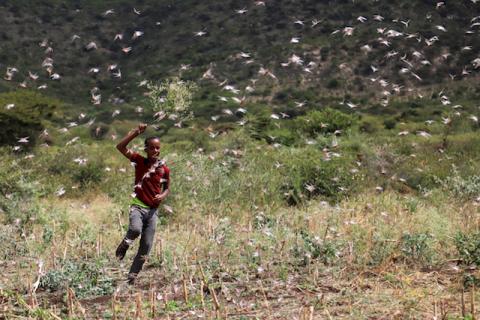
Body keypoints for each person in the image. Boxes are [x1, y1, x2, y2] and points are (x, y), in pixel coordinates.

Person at [115, 123, 170, 284]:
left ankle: (130, 279)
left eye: (158, 148)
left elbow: (167, 188)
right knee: (135, 229)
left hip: (152, 212)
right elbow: (120, 146)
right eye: (152, 148)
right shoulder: (139, 161)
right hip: (138, 206)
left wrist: (162, 195)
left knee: (145, 247)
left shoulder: (164, 169)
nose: (156, 151)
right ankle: (124, 245)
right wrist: (135, 133)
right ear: (146, 149)